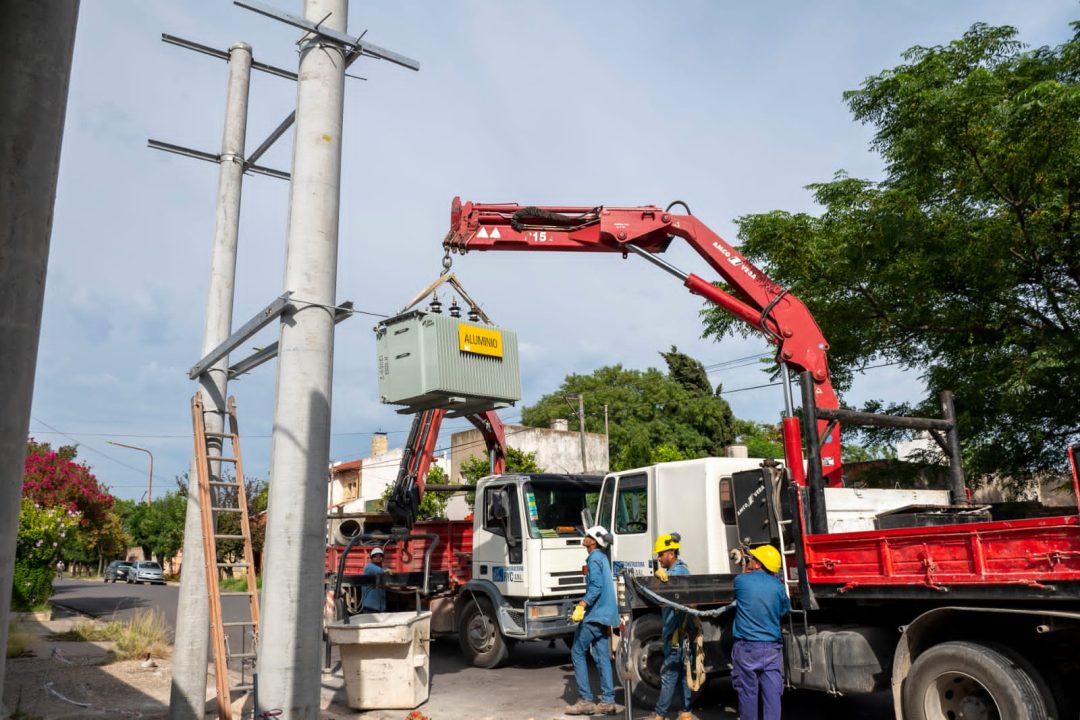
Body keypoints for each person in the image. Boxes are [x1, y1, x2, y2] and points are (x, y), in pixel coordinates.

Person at [731, 544, 790, 720]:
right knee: (772, 694)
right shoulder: (779, 586)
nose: (749, 560)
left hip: (747, 648)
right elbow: (784, 611)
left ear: (758, 564)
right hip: (772, 648)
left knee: (748, 693)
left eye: (752, 558)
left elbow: (740, 591)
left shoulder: (741, 581)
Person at [566, 525, 618, 716]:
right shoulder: (602, 558)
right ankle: (608, 701)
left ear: (593, 541)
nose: (584, 537)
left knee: (577, 651)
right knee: (602, 657)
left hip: (595, 615)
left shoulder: (595, 558)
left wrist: (582, 604)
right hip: (605, 616)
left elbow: (595, 587)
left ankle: (586, 700)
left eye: (587, 535)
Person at [648, 533, 693, 720]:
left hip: (677, 633)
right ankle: (685, 712)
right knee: (683, 673)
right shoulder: (678, 571)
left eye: (661, 554)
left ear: (672, 553)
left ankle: (659, 714)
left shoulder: (677, 572)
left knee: (669, 673)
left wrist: (660, 580)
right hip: (679, 632)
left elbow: (671, 584)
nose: (658, 558)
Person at [360, 547, 386, 613]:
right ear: (371, 558)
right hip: (370, 606)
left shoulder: (382, 568)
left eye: (380, 556)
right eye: (375, 556)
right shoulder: (369, 567)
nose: (378, 558)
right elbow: (380, 571)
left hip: (380, 606)